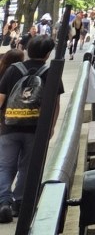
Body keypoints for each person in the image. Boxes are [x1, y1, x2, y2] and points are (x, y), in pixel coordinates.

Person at [0, 36, 61, 223]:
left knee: (5, 165)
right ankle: (20, 202)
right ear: (48, 53)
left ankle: (3, 202)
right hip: (36, 128)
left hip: (9, 125)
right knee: (27, 167)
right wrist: (50, 127)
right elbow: (55, 104)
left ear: (27, 50)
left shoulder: (13, 70)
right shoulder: (50, 71)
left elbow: (1, 98)